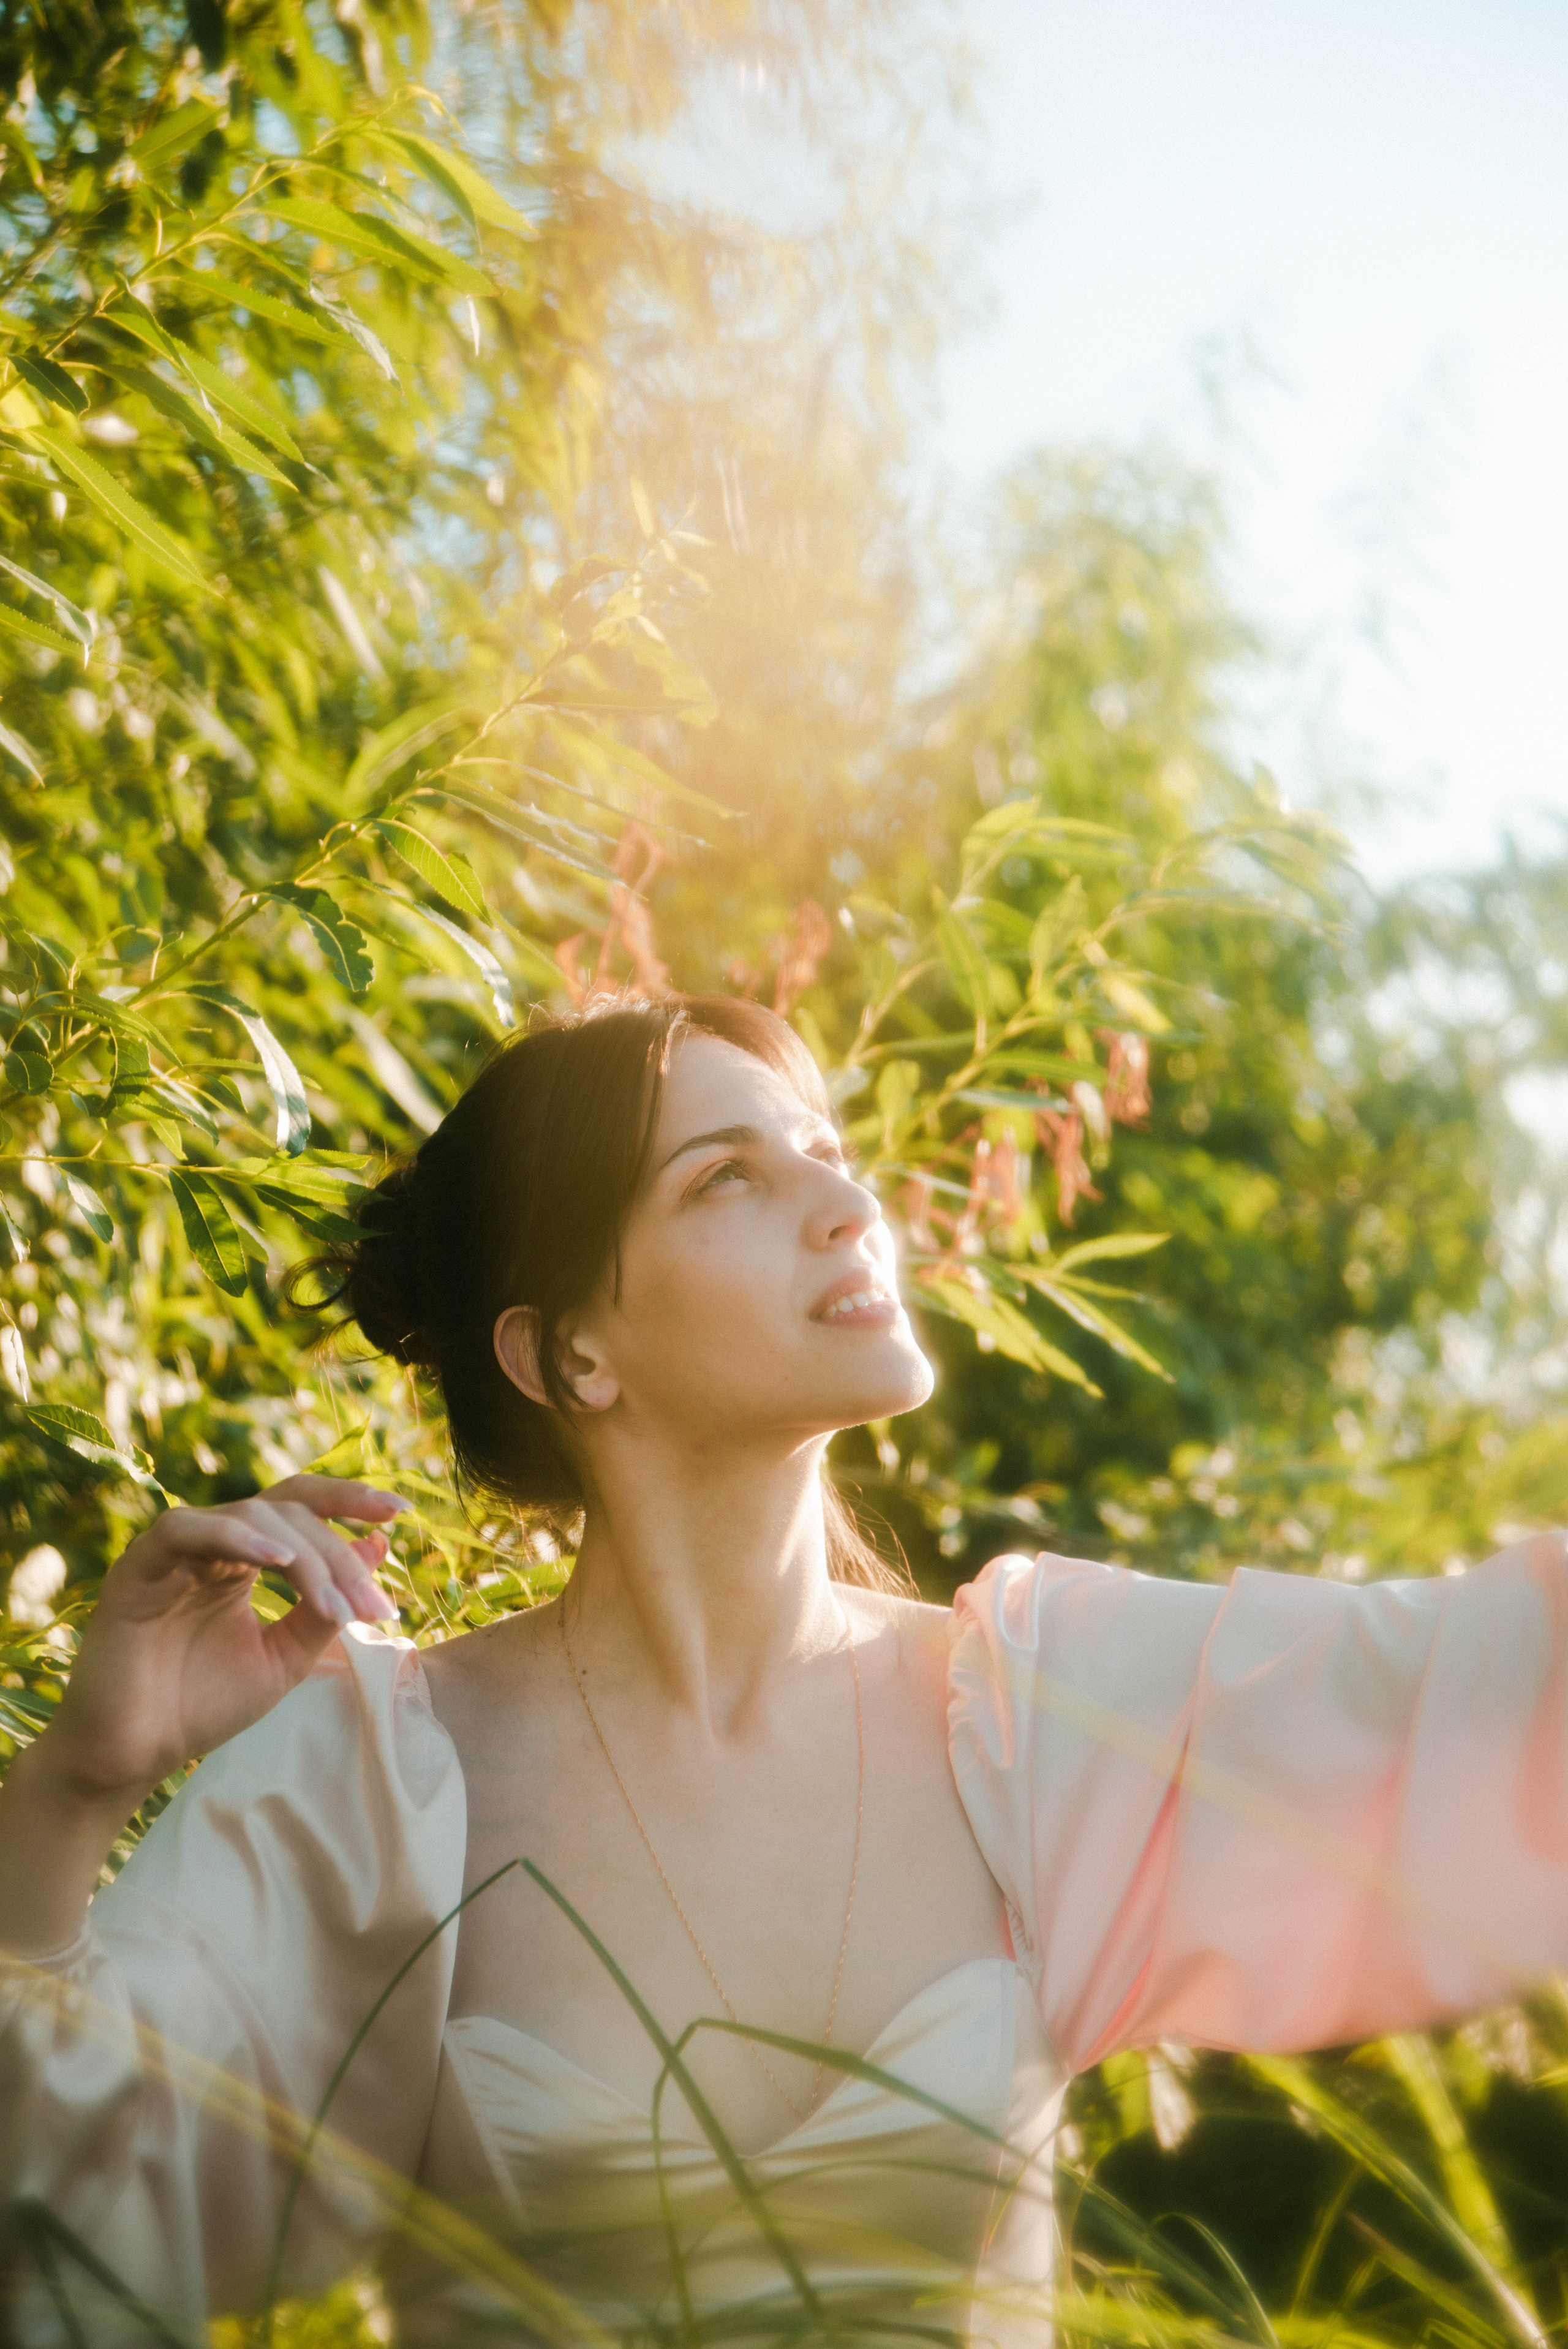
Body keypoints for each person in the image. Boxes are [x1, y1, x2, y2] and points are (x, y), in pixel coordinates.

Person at [4, 992, 1568, 2349]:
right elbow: (50, 2207)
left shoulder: (1035, 1720)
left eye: (824, 1147)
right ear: (566, 1358)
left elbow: (1495, 1693)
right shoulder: (384, 1776)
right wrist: (80, 1782)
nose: (844, 1201)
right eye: (728, 1176)